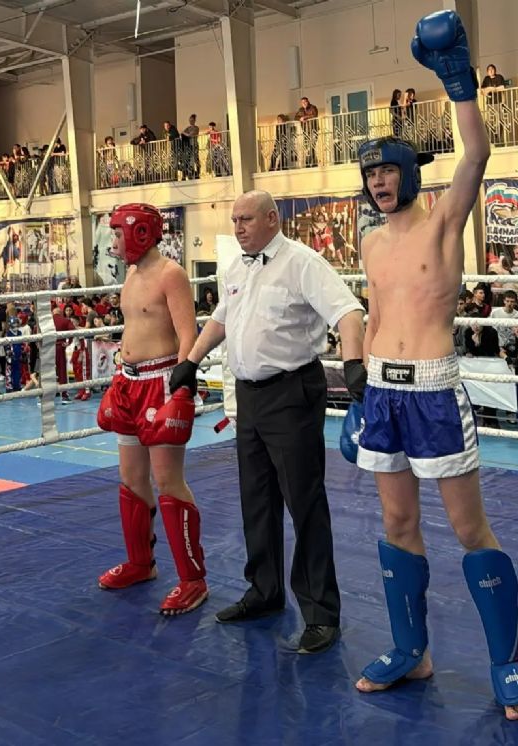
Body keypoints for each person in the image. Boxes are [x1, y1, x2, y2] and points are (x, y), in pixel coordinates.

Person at [352, 10, 518, 721]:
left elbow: (476, 157)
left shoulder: (442, 222)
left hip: (433, 391)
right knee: (398, 523)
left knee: (468, 530)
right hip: (382, 391)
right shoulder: (370, 242)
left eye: (387, 170)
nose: (379, 182)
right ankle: (412, 651)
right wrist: (360, 393)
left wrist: (460, 85)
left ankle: (511, 661)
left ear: (407, 174)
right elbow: (374, 316)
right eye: (370, 173)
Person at [169, 189, 365, 654]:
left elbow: (348, 310)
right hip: (250, 396)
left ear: (272, 219)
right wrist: (191, 360)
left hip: (292, 392)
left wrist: (354, 361)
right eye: (234, 220)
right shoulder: (237, 266)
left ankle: (321, 613)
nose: (238, 227)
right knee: (256, 498)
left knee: (304, 501)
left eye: (246, 219)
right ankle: (264, 591)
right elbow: (222, 317)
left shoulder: (302, 262)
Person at [95, 203, 208, 617]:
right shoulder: (130, 274)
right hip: (128, 382)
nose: (113, 241)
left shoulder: (171, 274)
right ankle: (141, 563)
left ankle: (193, 579)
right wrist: (120, 375)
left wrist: (182, 385)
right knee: (130, 477)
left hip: (161, 382)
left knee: (167, 480)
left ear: (139, 232)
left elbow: (187, 333)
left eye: (117, 233)